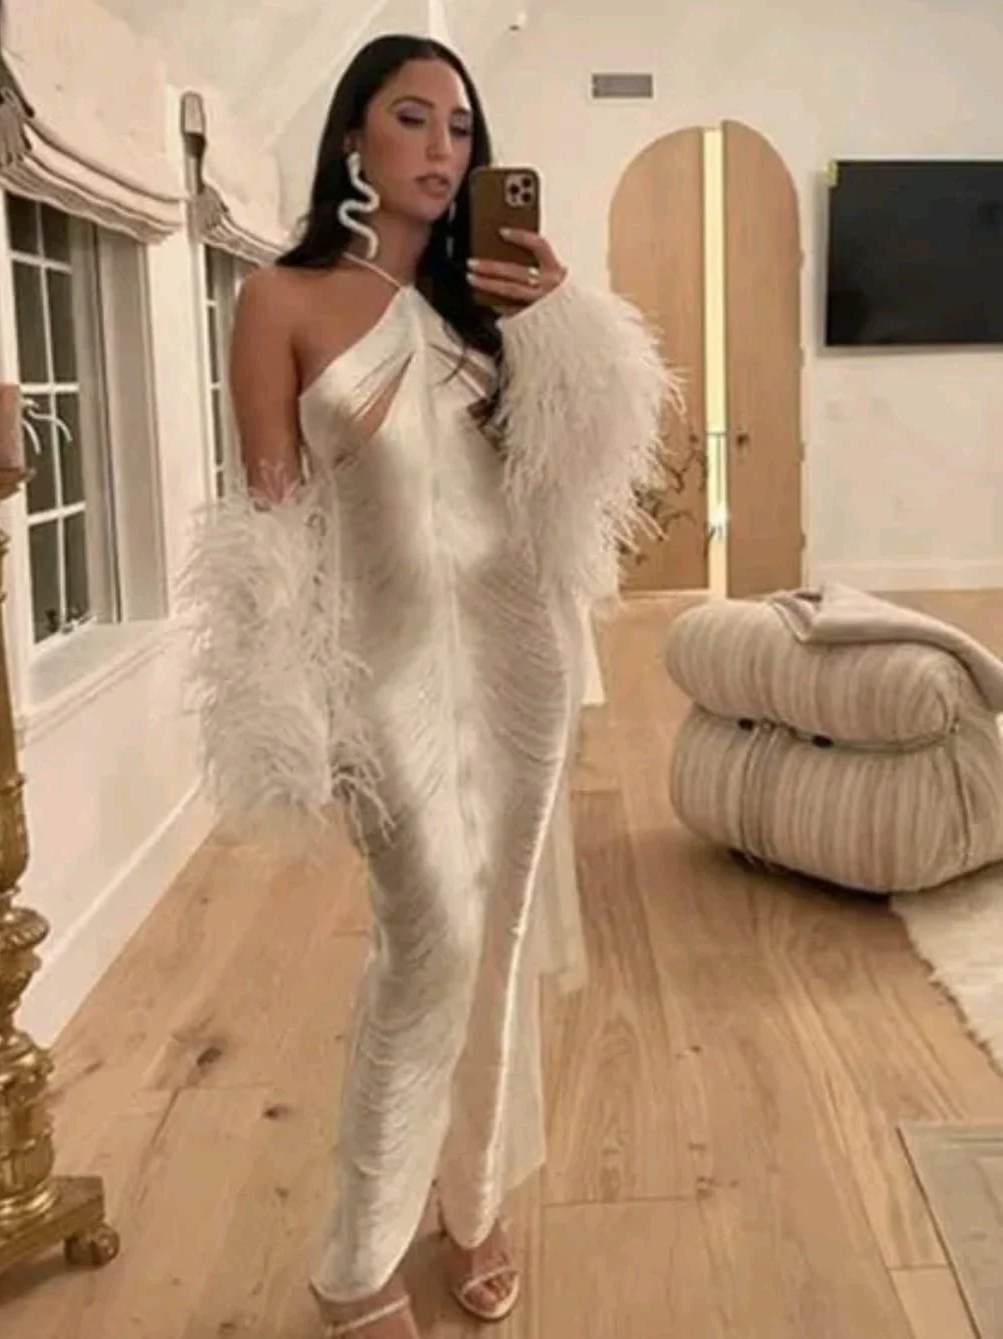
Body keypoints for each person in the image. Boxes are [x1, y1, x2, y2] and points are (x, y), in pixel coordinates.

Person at [181, 32, 672, 1339]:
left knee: (495, 942)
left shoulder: (490, 306)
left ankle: (474, 1201)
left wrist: (561, 316)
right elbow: (274, 521)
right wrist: (288, 700)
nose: (444, 148)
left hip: (519, 661)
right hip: (379, 670)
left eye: (461, 127)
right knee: (430, 944)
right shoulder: (279, 300)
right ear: (354, 136)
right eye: (414, 118)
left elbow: (591, 464)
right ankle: (355, 1260)